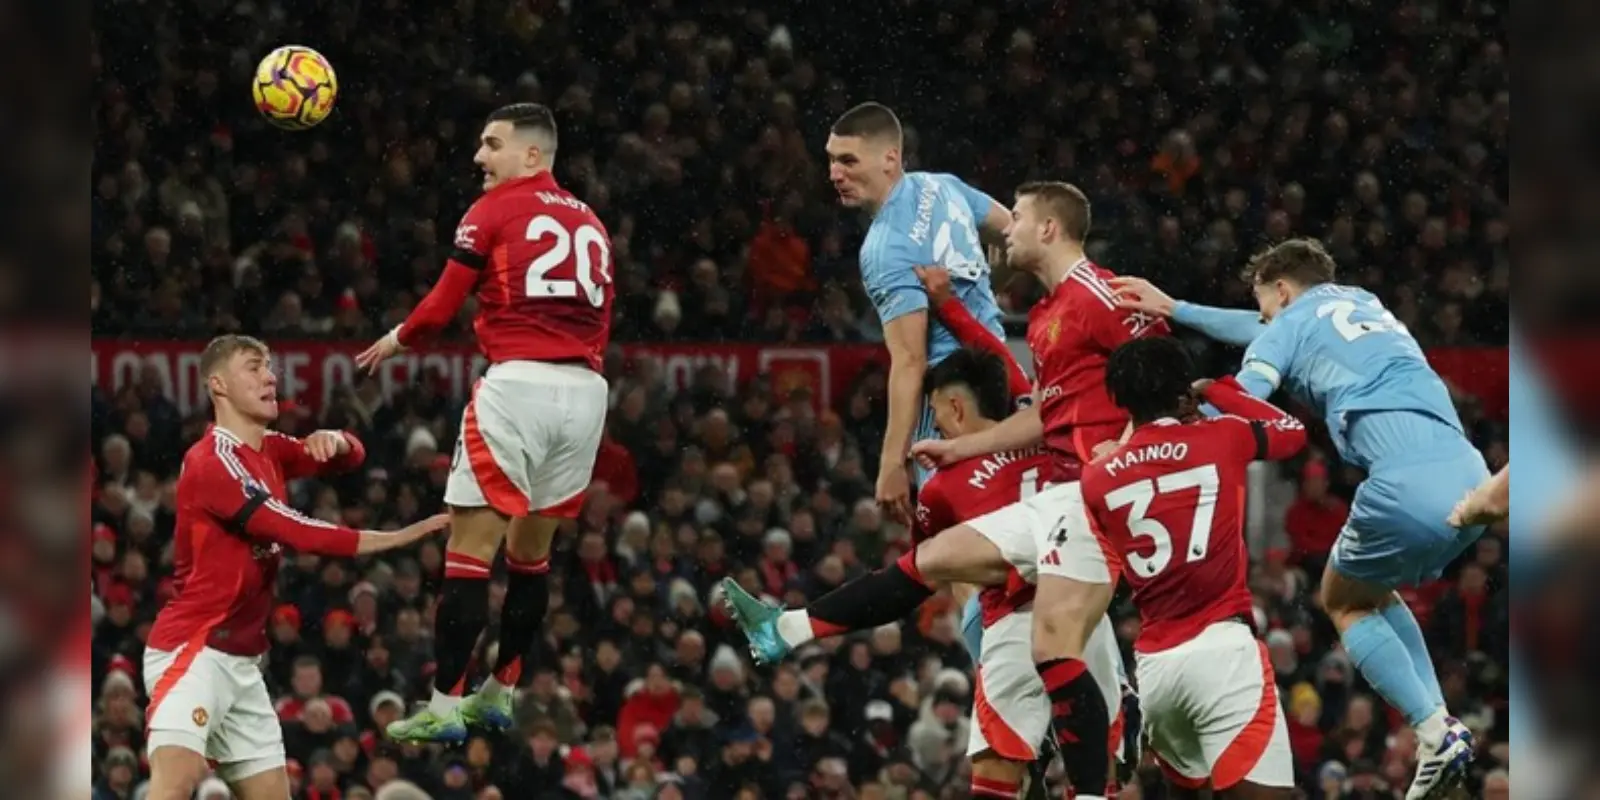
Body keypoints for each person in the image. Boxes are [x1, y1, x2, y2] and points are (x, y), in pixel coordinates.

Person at [1108, 239, 1488, 798]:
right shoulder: (1362, 303)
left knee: (1342, 600)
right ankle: (1441, 729)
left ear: (1282, 291)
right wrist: (1175, 308)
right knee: (1371, 591)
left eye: (1263, 304)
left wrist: (1161, 434)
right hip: (1470, 475)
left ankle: (1432, 728)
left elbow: (1249, 391)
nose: (1262, 319)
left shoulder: (1287, 325)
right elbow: (1263, 328)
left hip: (1404, 486)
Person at [720, 349, 1131, 799]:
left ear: (956, 407)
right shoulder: (1058, 440)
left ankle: (789, 628)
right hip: (1084, 615)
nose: (936, 426)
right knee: (1099, 774)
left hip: (1011, 624)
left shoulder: (944, 486)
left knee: (999, 775)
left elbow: (920, 581)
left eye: (935, 414)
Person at [357, 102, 615, 744]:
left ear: (532, 155)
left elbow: (440, 307)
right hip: (586, 394)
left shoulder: (492, 210)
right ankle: (501, 690)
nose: (479, 157)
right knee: (531, 558)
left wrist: (396, 338)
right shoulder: (591, 220)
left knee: (469, 556)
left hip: (518, 386)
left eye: (491, 144)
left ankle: (444, 706)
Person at [910, 181, 1168, 800]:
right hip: (1056, 528)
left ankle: (1100, 718)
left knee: (1006, 634)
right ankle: (1104, 715)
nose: (1007, 227)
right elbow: (1031, 393)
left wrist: (1124, 448)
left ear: (1049, 227)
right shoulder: (1049, 317)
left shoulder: (1100, 295)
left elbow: (1165, 376)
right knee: (1047, 666)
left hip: (1092, 509)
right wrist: (952, 310)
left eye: (1018, 216)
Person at [143, 335, 448, 800]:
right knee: (175, 788)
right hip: (194, 652)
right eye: (253, 367)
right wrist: (400, 536)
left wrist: (337, 440)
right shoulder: (212, 462)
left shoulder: (269, 449)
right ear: (218, 385)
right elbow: (297, 531)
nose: (270, 377)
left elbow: (354, 456)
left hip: (243, 662)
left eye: (269, 366)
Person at [1082, 337, 1308, 797]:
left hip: (1157, 669)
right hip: (1223, 653)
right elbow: (1291, 431)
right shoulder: (1221, 436)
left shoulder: (1097, 476)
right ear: (1184, 395)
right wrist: (1217, 390)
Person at [823, 101, 1010, 523]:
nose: (835, 174)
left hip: (953, 409)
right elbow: (1015, 236)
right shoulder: (941, 186)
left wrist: (892, 463)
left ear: (890, 158)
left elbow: (910, 360)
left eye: (848, 161)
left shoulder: (884, 248)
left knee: (959, 543)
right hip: (1004, 384)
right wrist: (984, 288)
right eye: (832, 160)